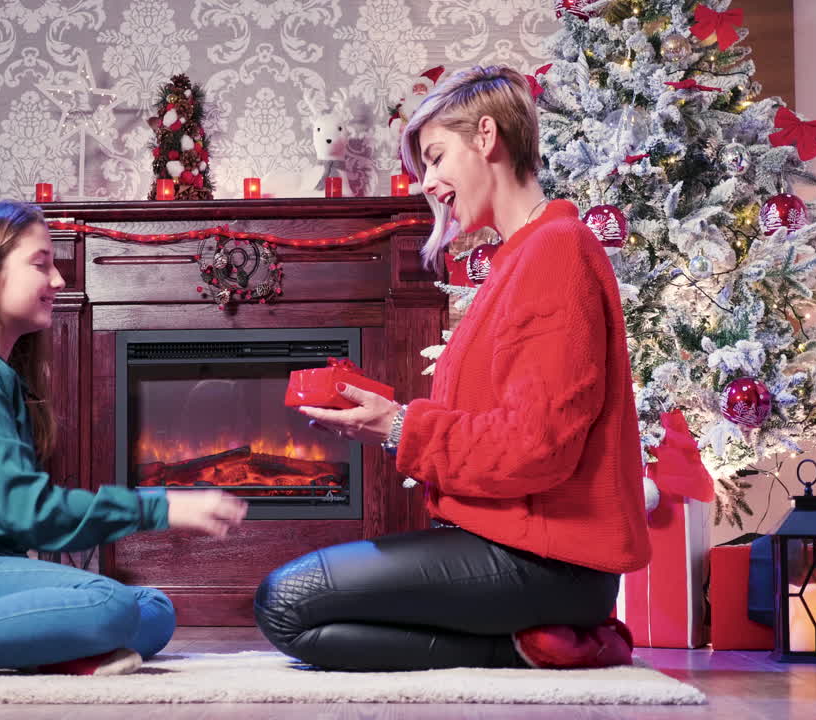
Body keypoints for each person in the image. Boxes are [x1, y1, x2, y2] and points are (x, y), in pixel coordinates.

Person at [253, 66, 651, 671]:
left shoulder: (555, 250)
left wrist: (399, 426)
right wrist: (387, 420)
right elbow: (502, 423)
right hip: (513, 546)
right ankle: (539, 641)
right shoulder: (523, 255)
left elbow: (535, 447)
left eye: (437, 157)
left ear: (487, 136)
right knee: (297, 605)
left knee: (286, 604)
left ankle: (545, 644)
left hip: (550, 562)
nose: (429, 183)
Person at [0, 201, 247, 684]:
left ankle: (49, 649)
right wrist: (160, 507)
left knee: (154, 610)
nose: (58, 279)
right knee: (109, 604)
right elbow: (30, 514)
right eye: (41, 264)